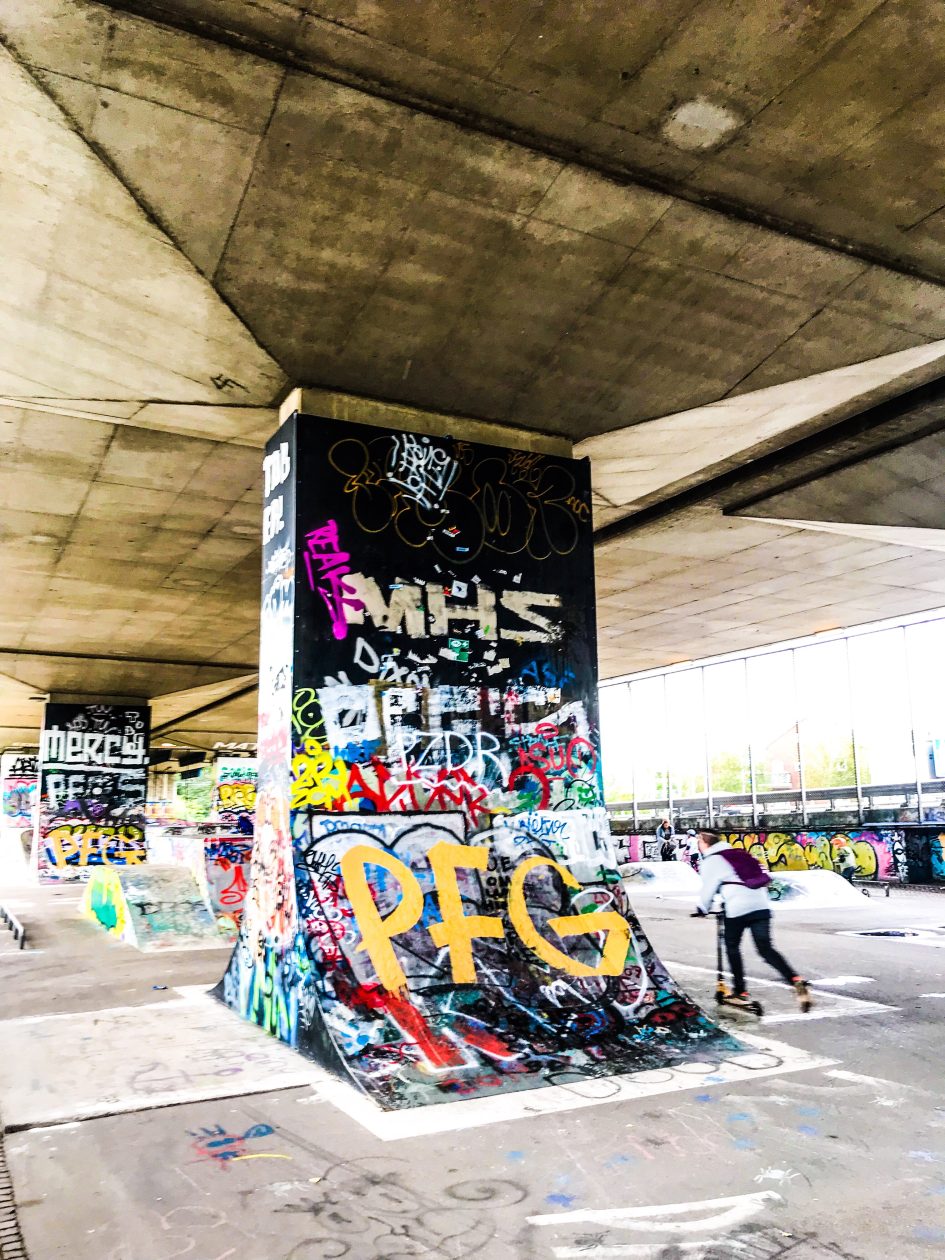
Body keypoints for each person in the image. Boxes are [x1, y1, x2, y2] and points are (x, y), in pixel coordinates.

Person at [693, 832, 811, 1012]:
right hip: (761, 905)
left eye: (699, 842)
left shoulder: (712, 861)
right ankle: (795, 979)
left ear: (705, 843)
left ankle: (740, 992)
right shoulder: (741, 853)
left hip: (738, 908)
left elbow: (708, 888)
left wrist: (702, 908)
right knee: (765, 949)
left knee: (732, 947)